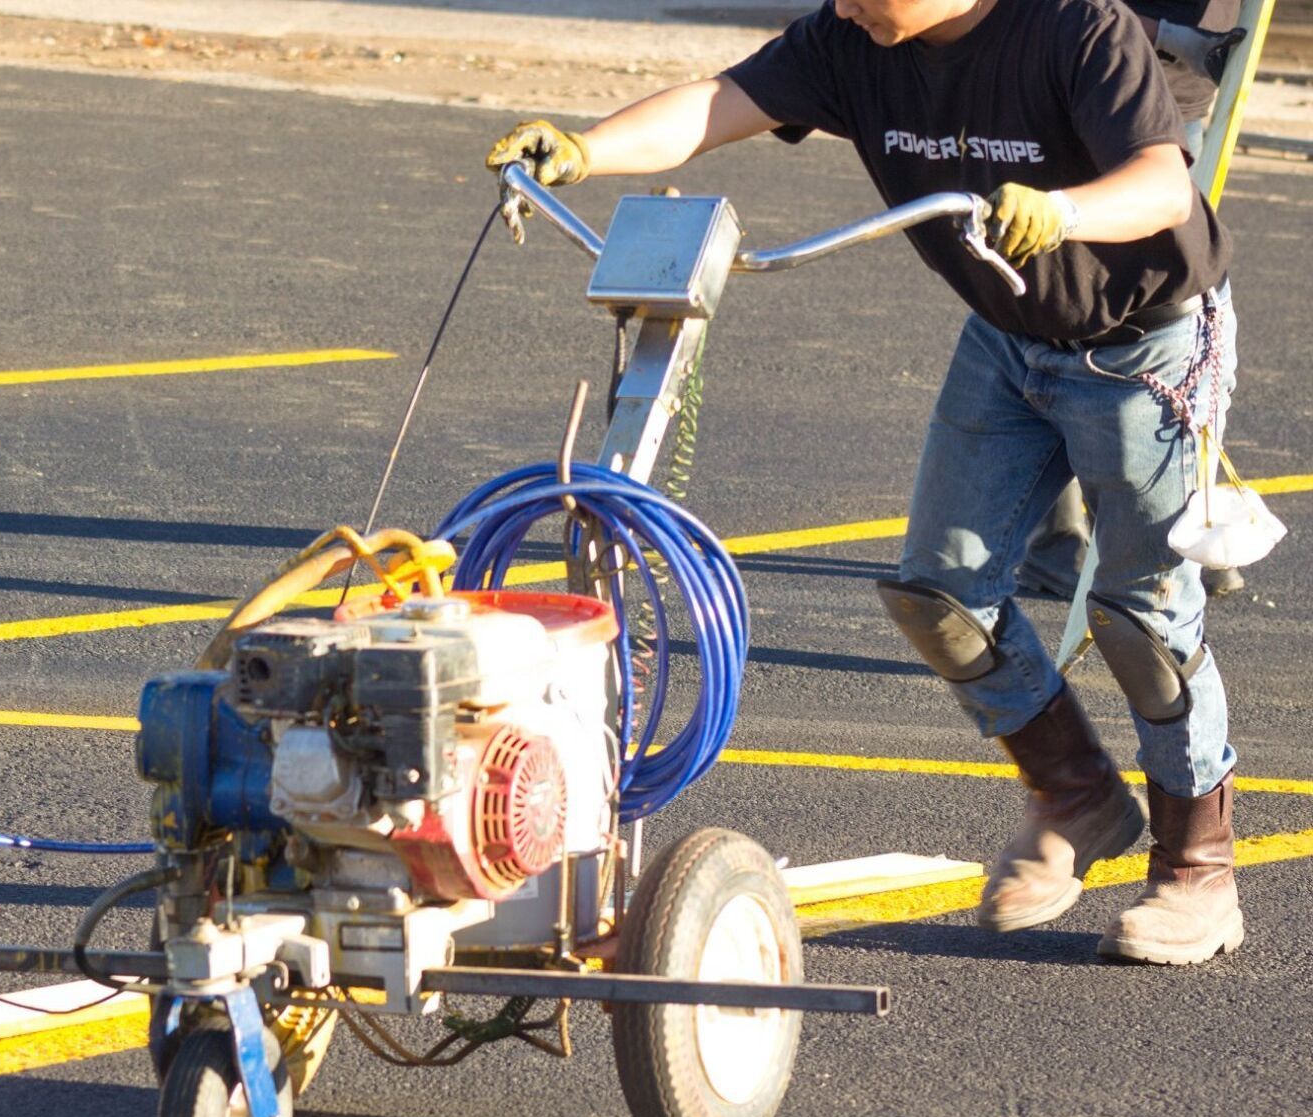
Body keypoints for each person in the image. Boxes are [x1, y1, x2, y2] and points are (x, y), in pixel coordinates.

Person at [488, 0, 1243, 964]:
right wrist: (583, 149)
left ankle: (1197, 867)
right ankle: (1077, 793)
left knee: (1143, 622)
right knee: (938, 597)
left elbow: (1162, 187)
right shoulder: (851, 43)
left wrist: (1064, 208)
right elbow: (718, 104)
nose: (843, 2)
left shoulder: (1076, 27)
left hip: (1146, 344)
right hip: (1012, 337)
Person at [1018, 0, 1245, 601]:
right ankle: (1058, 541)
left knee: (1181, 315)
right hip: (1081, 94)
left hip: (1179, 98)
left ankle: (1183, 520)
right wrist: (1169, 35)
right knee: (1058, 306)